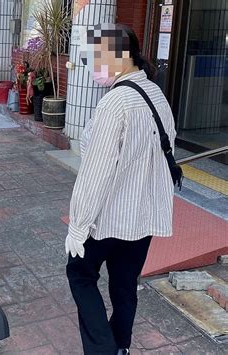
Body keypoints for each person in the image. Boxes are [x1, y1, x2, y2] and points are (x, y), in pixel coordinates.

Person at [65, 23, 176, 355]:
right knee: (125, 286)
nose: (94, 63)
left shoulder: (115, 104)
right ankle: (120, 345)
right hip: (142, 217)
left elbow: (94, 174)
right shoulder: (156, 94)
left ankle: (103, 349)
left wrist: (78, 225)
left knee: (80, 275)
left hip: (108, 217)